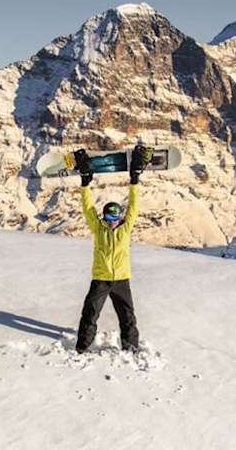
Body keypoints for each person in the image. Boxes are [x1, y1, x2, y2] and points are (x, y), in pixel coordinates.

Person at [73, 144, 153, 353]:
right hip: (100, 279)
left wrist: (134, 180)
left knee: (127, 316)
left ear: (119, 217)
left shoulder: (124, 229)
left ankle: (131, 346)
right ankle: (82, 346)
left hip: (121, 280)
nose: (111, 221)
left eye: (114, 217)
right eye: (108, 217)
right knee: (90, 314)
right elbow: (88, 209)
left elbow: (133, 207)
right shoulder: (98, 228)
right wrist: (85, 184)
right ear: (104, 217)